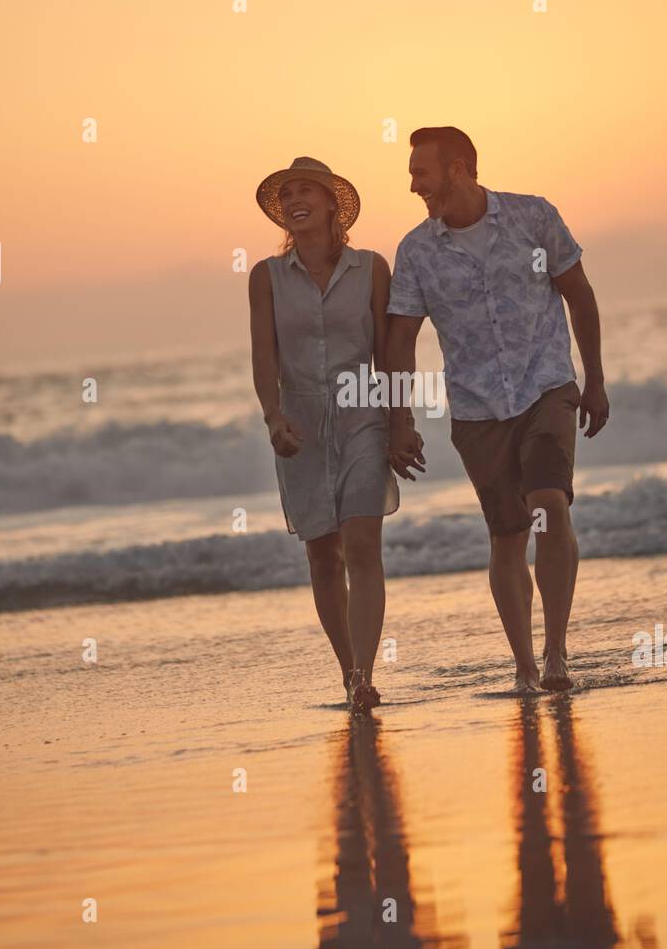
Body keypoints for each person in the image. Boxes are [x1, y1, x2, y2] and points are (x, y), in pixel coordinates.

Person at [385, 127, 609, 692]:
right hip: (478, 408)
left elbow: (579, 294)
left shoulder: (534, 218)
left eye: (421, 172)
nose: (414, 186)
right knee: (507, 534)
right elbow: (400, 341)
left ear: (459, 168)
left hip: (546, 387)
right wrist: (399, 420)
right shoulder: (415, 251)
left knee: (550, 506)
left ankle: (556, 654)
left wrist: (596, 380)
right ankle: (525, 667)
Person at [249, 156, 399, 712]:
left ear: (333, 203)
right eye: (287, 195)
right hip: (301, 423)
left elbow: (390, 356)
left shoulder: (371, 268)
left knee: (362, 545)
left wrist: (400, 422)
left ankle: (364, 675)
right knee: (322, 555)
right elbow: (263, 355)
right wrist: (273, 415)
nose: (294, 200)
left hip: (364, 414)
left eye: (306, 190)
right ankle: (347, 670)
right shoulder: (265, 276)